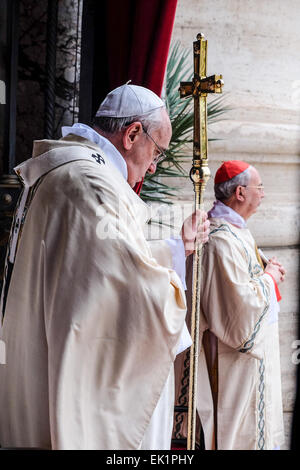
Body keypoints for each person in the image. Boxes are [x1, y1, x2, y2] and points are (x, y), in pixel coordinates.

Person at [0, 84, 209, 450]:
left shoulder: (69, 168)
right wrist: (172, 288)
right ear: (132, 134)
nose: (154, 165)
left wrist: (178, 247)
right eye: (156, 151)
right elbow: (126, 284)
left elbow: (100, 262)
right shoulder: (91, 182)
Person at [197, 160, 285, 450]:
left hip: (252, 364)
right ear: (239, 192)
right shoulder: (220, 239)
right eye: (259, 188)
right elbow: (237, 309)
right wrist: (269, 278)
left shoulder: (237, 231)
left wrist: (265, 270)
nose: (263, 194)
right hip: (234, 362)